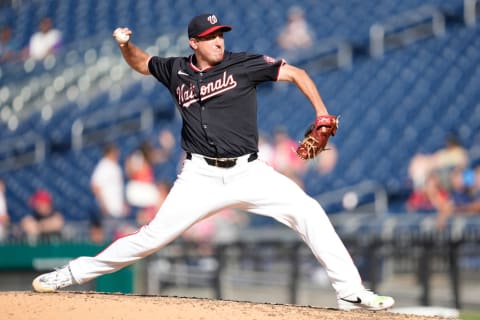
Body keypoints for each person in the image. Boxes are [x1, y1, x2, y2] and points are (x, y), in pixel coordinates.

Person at [32, 13, 394, 311]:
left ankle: (350, 289)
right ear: (194, 43)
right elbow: (141, 63)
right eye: (210, 36)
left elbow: (296, 73)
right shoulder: (175, 70)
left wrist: (321, 111)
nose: (219, 41)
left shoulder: (244, 64)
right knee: (149, 239)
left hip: (249, 172)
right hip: (199, 176)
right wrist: (125, 45)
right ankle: (71, 274)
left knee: (309, 211)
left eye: (220, 34)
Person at [90, 143, 130, 239]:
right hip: (108, 210)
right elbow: (95, 185)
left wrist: (124, 203)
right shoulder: (104, 166)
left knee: (118, 236)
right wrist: (103, 204)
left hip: (116, 210)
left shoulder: (115, 166)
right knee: (108, 237)